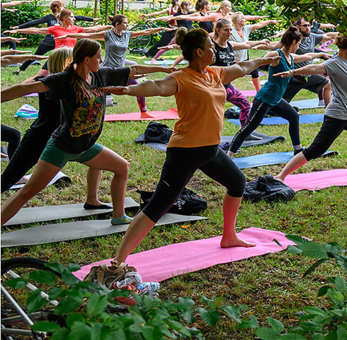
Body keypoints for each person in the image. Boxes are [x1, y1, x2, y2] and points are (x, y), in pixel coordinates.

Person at [95, 27, 282, 277]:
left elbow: (242, 67)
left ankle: (229, 236)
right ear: (199, 52)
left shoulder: (214, 73)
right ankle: (117, 261)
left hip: (210, 150)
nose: (215, 50)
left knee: (237, 182)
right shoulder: (181, 78)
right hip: (185, 151)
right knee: (158, 205)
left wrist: (263, 60)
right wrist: (129, 90)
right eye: (211, 47)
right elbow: (157, 86)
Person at [0, 39, 171, 226]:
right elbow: (26, 88)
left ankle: (118, 216)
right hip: (62, 147)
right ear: (87, 59)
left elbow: (133, 70)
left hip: (86, 146)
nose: (102, 61)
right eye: (99, 57)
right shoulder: (64, 79)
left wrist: (165, 70)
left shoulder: (100, 75)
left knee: (122, 167)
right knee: (27, 192)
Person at [274, 33, 347, 179]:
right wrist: (293, 72)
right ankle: (280, 176)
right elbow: (314, 68)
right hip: (337, 115)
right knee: (315, 151)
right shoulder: (334, 63)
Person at [227, 27, 331, 157]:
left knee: (294, 117)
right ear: (293, 42)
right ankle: (229, 154)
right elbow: (257, 62)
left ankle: (298, 149)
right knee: (249, 127)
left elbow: (307, 56)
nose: (298, 47)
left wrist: (321, 54)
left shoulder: (290, 57)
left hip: (276, 99)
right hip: (265, 98)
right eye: (298, 44)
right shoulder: (276, 55)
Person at [67, 14, 171, 117]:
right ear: (117, 24)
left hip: (121, 71)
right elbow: (88, 36)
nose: (127, 25)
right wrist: (68, 35)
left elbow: (145, 31)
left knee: (139, 88)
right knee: (94, 93)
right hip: (106, 71)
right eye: (125, 23)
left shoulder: (127, 35)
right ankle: (84, 114)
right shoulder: (108, 34)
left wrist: (161, 28)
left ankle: (144, 112)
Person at [209, 18, 270, 126]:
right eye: (226, 30)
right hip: (213, 86)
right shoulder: (212, 46)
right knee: (213, 114)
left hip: (227, 86)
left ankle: (244, 132)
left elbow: (246, 44)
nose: (229, 32)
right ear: (218, 31)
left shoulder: (230, 45)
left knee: (245, 106)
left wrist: (261, 41)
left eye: (230, 30)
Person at [8, 2, 98, 72]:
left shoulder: (67, 17)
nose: (64, 8)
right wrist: (18, 28)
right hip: (49, 41)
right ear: (57, 8)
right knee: (37, 55)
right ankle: (20, 70)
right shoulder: (49, 17)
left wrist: (92, 19)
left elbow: (81, 17)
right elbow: (35, 24)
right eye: (62, 6)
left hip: (63, 42)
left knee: (62, 59)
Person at [270, 17, 338, 106]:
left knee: (327, 84)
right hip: (293, 76)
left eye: (309, 25)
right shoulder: (291, 39)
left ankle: (328, 110)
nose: (308, 28)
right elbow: (275, 45)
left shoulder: (312, 37)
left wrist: (346, 33)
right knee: (279, 102)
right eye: (305, 26)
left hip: (308, 75)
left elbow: (328, 35)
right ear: (298, 27)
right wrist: (257, 45)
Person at [230, 12, 280, 92]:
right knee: (228, 77)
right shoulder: (230, 31)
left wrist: (270, 21)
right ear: (238, 20)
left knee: (254, 70)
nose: (245, 20)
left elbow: (258, 25)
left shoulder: (245, 29)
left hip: (244, 59)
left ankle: (258, 91)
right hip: (231, 60)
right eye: (243, 18)